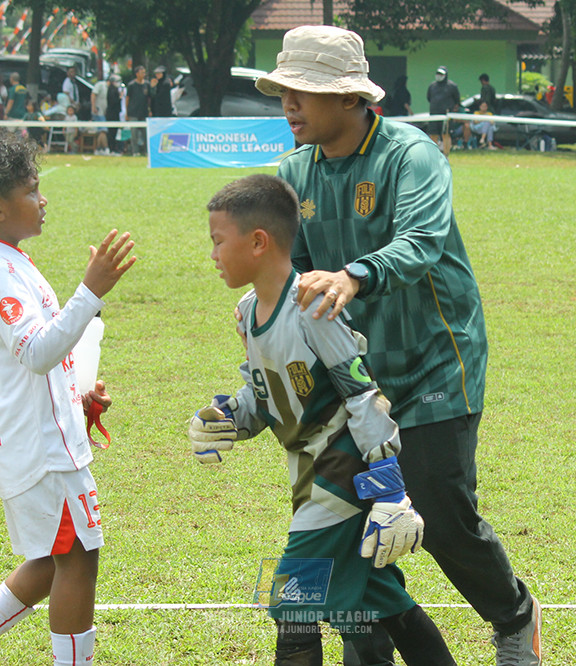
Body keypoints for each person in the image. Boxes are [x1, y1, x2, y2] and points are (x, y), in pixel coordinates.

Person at [255, 25, 541, 666]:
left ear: (350, 96)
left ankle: (515, 616)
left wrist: (353, 275)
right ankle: (372, 651)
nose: (289, 104)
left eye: (303, 90)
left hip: (436, 358)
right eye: (283, 91)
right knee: (355, 513)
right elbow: (290, 273)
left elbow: (421, 241)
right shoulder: (293, 172)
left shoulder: (411, 154)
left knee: (437, 511)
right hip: (355, 373)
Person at [190, 173, 455, 666]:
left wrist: (389, 489)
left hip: (340, 473)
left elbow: (362, 392)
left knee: (291, 601)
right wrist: (228, 417)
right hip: (309, 475)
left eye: (218, 241)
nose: (213, 254)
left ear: (258, 242)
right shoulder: (248, 312)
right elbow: (265, 395)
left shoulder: (312, 307)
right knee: (379, 600)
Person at [0, 126, 137, 666]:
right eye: (31, 191)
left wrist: (77, 394)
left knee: (55, 553)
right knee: (79, 557)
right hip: (40, 447)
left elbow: (35, 357)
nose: (43, 200)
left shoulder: (7, 259)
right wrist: (90, 291)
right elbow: (36, 352)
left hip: (36, 436)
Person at [426, 65, 461, 155]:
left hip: (446, 115)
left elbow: (457, 100)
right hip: (434, 114)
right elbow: (429, 98)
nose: (439, 76)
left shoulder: (452, 86)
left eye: (441, 74)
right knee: (433, 134)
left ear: (445, 75)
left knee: (446, 134)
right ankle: (434, 154)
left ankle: (446, 155)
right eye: (438, 73)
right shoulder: (432, 86)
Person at [124, 65, 150, 156]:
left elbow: (149, 98)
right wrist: (126, 112)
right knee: (134, 133)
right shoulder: (131, 85)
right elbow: (127, 98)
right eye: (142, 72)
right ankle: (135, 151)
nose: (144, 74)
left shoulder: (147, 84)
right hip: (133, 112)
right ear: (137, 74)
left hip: (144, 112)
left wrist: (149, 109)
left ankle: (146, 151)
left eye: (144, 72)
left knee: (145, 133)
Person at [90, 74, 110, 155]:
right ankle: (106, 148)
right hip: (97, 111)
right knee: (103, 130)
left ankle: (98, 149)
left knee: (101, 131)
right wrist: (93, 106)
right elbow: (93, 94)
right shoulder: (100, 85)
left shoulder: (108, 88)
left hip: (103, 112)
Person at [105, 74, 122, 154]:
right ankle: (111, 149)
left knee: (114, 132)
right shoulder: (112, 90)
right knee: (112, 132)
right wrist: (120, 97)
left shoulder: (114, 89)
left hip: (114, 113)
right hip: (112, 114)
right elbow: (113, 102)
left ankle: (113, 148)